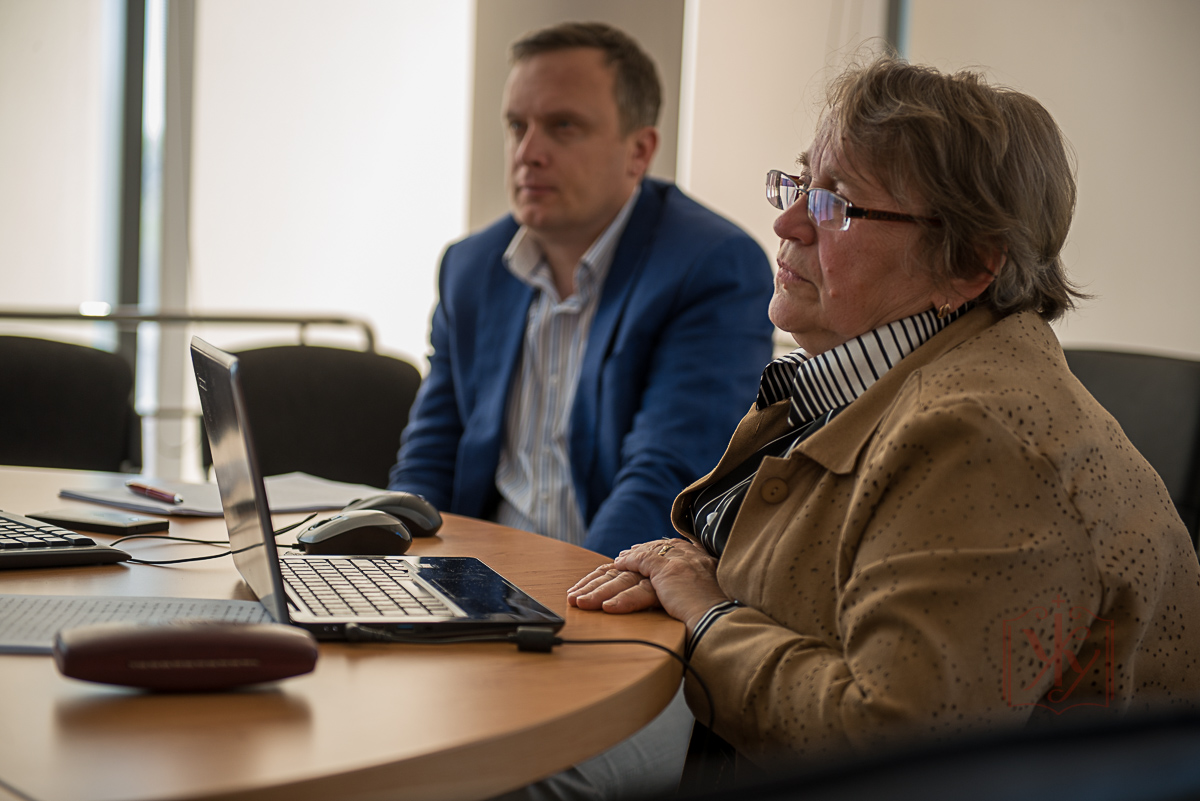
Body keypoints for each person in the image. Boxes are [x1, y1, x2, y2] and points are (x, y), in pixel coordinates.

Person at [568, 56, 1200, 774]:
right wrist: (695, 572)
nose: (787, 221)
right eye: (802, 183)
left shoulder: (978, 440)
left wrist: (706, 610)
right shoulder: (865, 378)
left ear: (969, 264)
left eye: (836, 203)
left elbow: (888, 746)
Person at [389, 22, 775, 558]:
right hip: (476, 572)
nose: (528, 152)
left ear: (639, 151)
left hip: (607, 578)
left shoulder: (712, 267)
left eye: (563, 126)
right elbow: (430, 459)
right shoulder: (470, 267)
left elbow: (667, 477)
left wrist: (569, 600)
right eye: (517, 126)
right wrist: (390, 569)